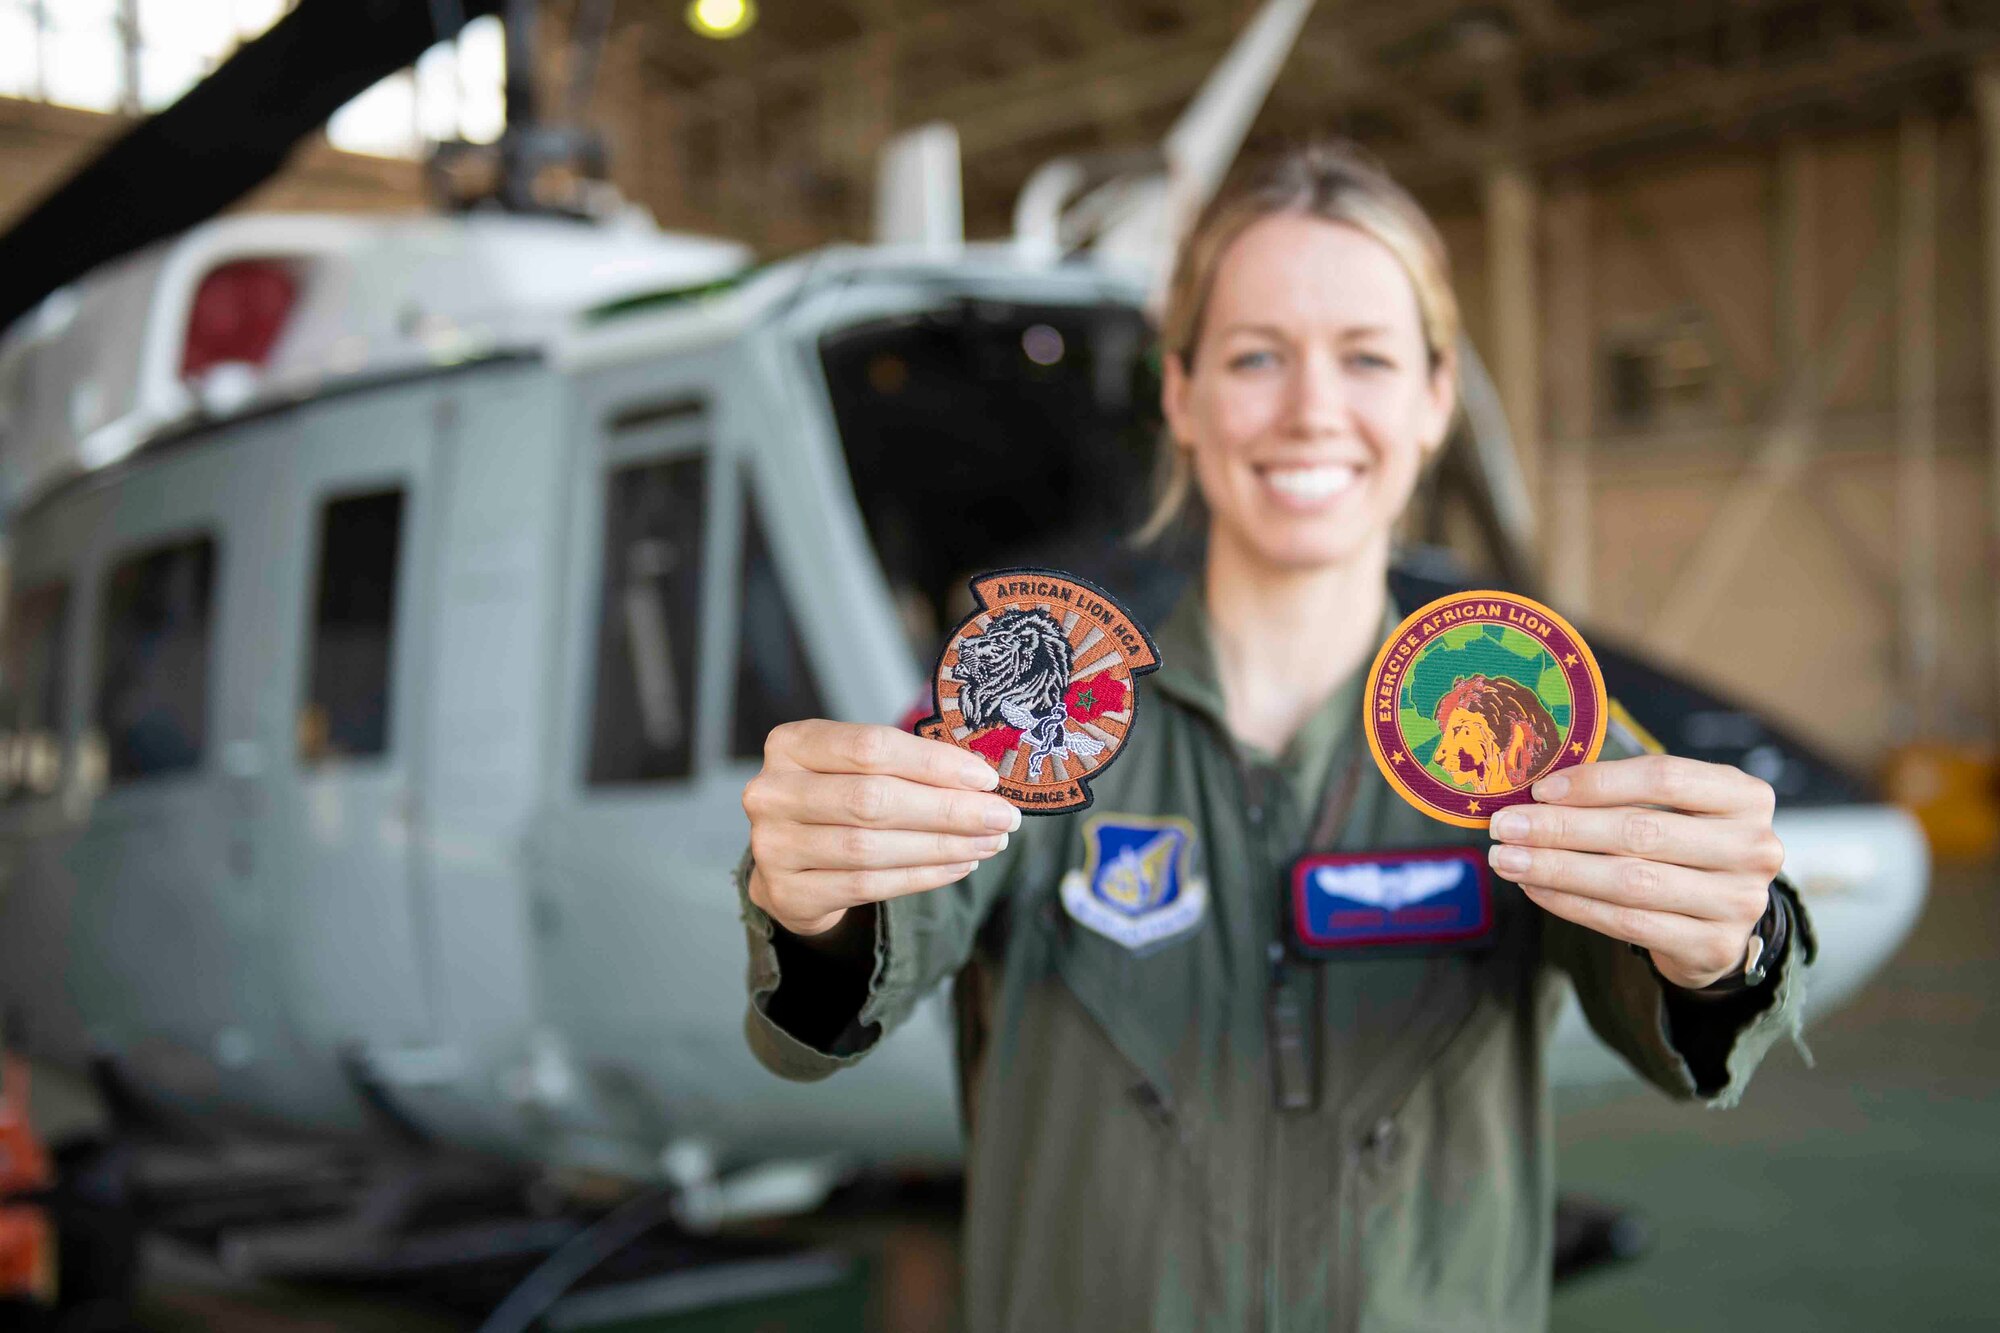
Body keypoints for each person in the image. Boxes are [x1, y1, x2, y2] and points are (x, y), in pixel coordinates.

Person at [734, 141, 1814, 1332]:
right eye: (1256, 357)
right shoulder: (1034, 716)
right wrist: (819, 899)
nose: (1311, 410)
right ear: (1181, 396)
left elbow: (1680, 1013)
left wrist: (1730, 939)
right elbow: (860, 967)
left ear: (1432, 398)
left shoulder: (1540, 731)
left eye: (1364, 358)